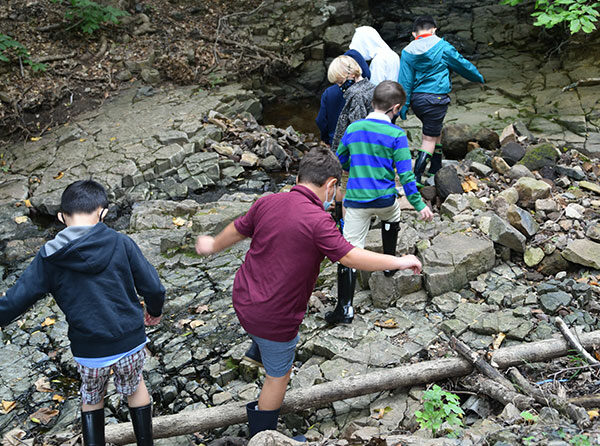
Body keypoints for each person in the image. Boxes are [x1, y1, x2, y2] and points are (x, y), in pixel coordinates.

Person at [195, 147, 423, 439]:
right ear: (330, 185)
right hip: (274, 317)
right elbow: (350, 257)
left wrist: (213, 245)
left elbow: (238, 230)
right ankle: (263, 437)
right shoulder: (318, 222)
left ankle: (258, 350)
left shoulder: (269, 202)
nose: (335, 196)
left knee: (272, 335)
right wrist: (400, 261)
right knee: (278, 377)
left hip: (243, 297)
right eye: (336, 189)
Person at [0, 180, 165, 446]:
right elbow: (152, 286)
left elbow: (17, 300)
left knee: (91, 398)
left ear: (61, 217)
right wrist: (155, 311)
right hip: (130, 340)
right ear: (104, 212)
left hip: (89, 350)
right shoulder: (121, 243)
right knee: (135, 387)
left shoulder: (49, 257)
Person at [325, 81, 434, 325]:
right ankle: (389, 264)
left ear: (373, 102)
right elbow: (406, 177)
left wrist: (359, 168)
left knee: (348, 252)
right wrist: (418, 205)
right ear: (395, 107)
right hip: (385, 200)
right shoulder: (396, 135)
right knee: (392, 216)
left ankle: (344, 309)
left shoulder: (353, 128)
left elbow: (339, 161)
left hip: (355, 202)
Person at [398, 15, 485, 185]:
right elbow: (462, 64)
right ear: (434, 30)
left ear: (415, 34)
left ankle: (435, 167)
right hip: (436, 99)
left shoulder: (407, 51)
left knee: (434, 131)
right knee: (428, 139)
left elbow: (405, 81)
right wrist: (477, 77)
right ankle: (415, 176)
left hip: (418, 100)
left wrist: (404, 104)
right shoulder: (443, 47)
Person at [315, 49, 371, 146]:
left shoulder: (329, 93)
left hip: (338, 141)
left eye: (340, 82)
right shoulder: (371, 91)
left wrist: (326, 139)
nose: (340, 86)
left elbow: (321, 120)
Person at [329, 55, 376, 152]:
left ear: (352, 74)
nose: (339, 86)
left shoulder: (356, 95)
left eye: (340, 82)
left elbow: (357, 128)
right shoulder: (373, 88)